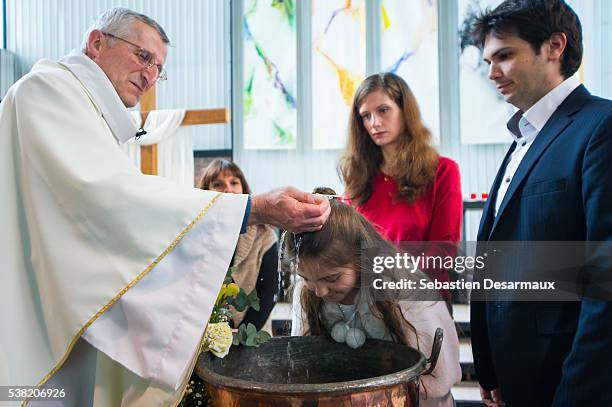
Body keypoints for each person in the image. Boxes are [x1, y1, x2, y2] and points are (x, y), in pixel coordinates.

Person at [0, 8, 329, 406]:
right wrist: (253, 208)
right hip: (40, 319)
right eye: (143, 56)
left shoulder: (93, 116)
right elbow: (110, 200)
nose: (151, 74)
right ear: (96, 42)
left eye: (159, 67)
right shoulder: (47, 92)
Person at [469, 1, 612, 406]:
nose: (492, 73)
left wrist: (577, 394)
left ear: (554, 46)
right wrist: (491, 366)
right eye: (487, 61)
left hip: (567, 381)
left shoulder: (600, 126)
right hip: (516, 378)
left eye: (505, 56)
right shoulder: (524, 136)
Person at [289, 188, 461, 407]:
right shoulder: (307, 292)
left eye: (332, 278)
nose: (320, 291)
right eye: (307, 278)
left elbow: (437, 375)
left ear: (362, 259)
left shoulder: (402, 289)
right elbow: (305, 362)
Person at [338, 72, 463, 302]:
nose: (374, 123)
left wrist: (388, 279)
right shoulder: (358, 176)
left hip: (423, 302)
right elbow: (349, 246)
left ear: (405, 111)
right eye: (366, 116)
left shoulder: (443, 171)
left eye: (383, 110)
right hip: (368, 303)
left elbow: (443, 253)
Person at [198, 158, 279, 334]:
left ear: (244, 189)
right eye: (218, 184)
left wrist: (242, 335)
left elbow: (268, 293)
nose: (228, 189)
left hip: (253, 334)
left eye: (234, 182)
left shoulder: (264, 236)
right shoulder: (195, 235)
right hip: (205, 335)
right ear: (205, 192)